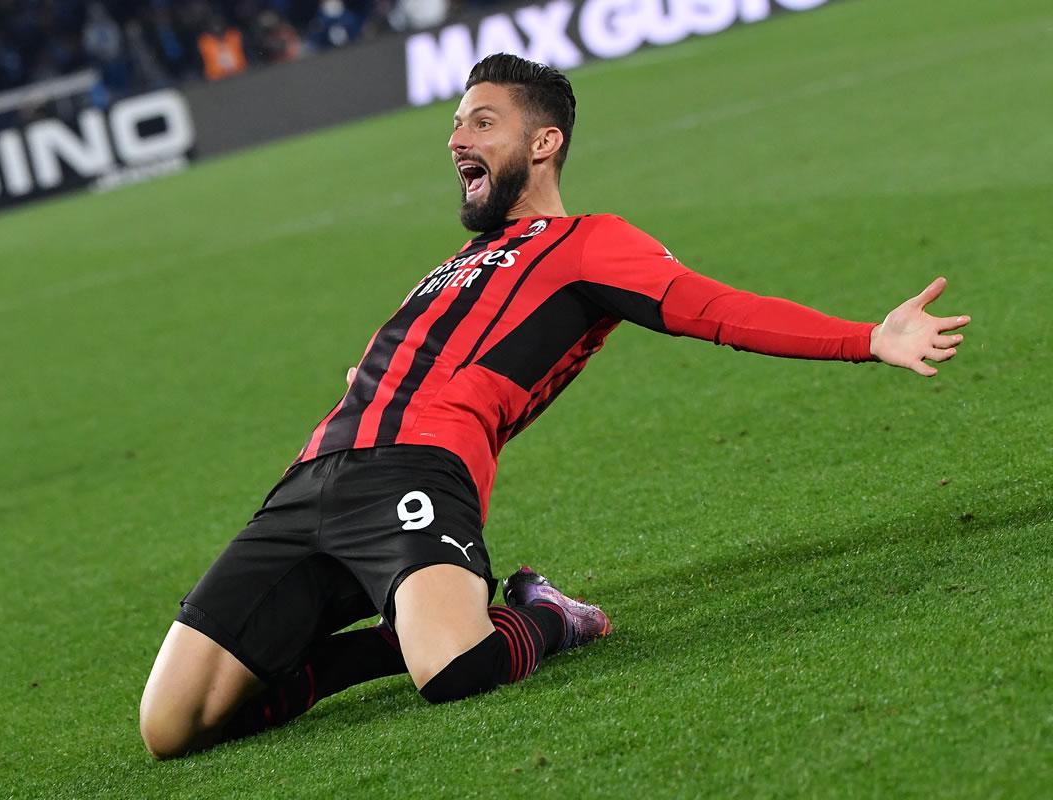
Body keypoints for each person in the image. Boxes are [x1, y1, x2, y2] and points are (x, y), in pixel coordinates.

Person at [139, 54, 971, 759]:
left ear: (544, 143)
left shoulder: (591, 244)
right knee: (173, 728)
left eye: (482, 122)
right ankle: (394, 630)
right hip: (308, 481)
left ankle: (541, 616)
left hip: (419, 472)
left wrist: (866, 337)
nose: (457, 139)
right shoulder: (448, 266)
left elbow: (714, 309)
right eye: (456, 125)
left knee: (457, 672)